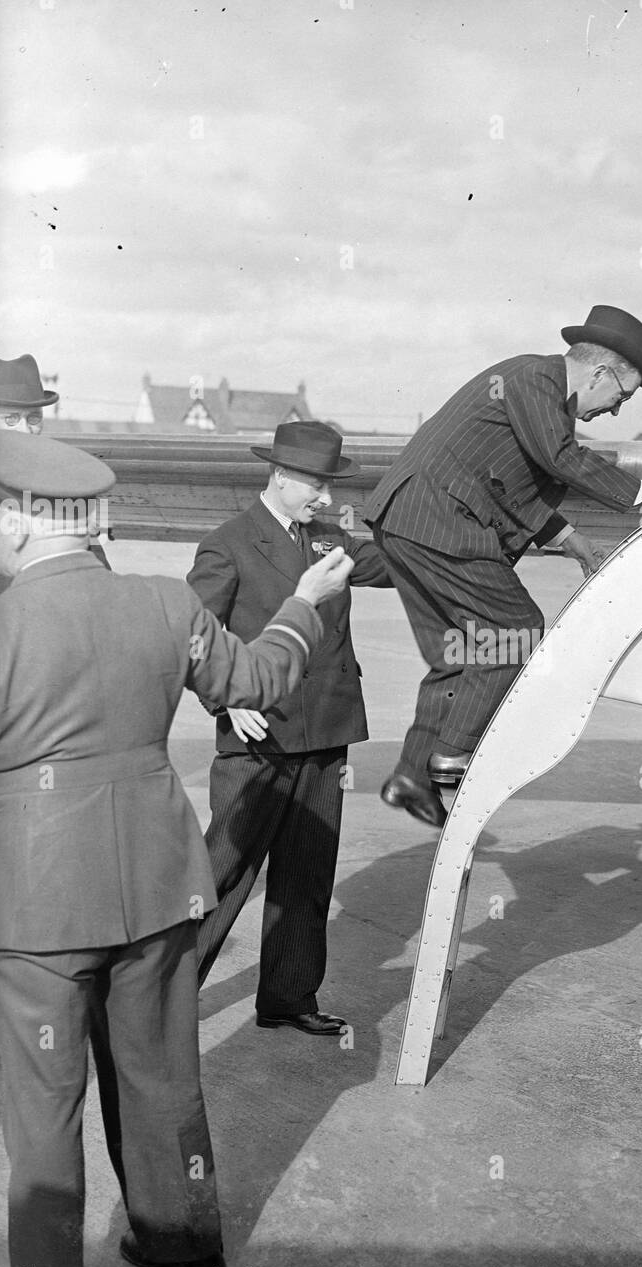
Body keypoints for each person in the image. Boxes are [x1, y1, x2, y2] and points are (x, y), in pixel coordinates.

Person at [0, 429, 354, 1267]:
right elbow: (262, 681)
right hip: (158, 889)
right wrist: (303, 603)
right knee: (160, 1077)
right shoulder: (164, 605)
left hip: (37, 907)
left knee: (44, 1110)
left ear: (16, 520)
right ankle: (181, 1242)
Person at [364, 304, 642, 827]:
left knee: (460, 653)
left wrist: (577, 545)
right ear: (600, 373)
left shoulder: (531, 394)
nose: (616, 412)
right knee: (516, 631)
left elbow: (512, 490)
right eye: (622, 397)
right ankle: (452, 758)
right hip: (439, 522)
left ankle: (413, 776)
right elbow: (561, 459)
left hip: (410, 522)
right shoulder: (535, 379)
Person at [187, 420, 391, 1036]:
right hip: (259, 735)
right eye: (315, 485)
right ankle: (158, 1001)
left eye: (329, 486)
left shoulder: (332, 536)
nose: (324, 498)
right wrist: (223, 700)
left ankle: (288, 996)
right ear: (279, 476)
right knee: (220, 876)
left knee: (308, 872)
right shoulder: (228, 543)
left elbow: (399, 564)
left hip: (325, 732)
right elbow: (193, 634)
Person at [0, 353, 110, 597]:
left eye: (34, 418)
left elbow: (94, 570)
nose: (26, 430)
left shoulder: (55, 487)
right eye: (12, 419)